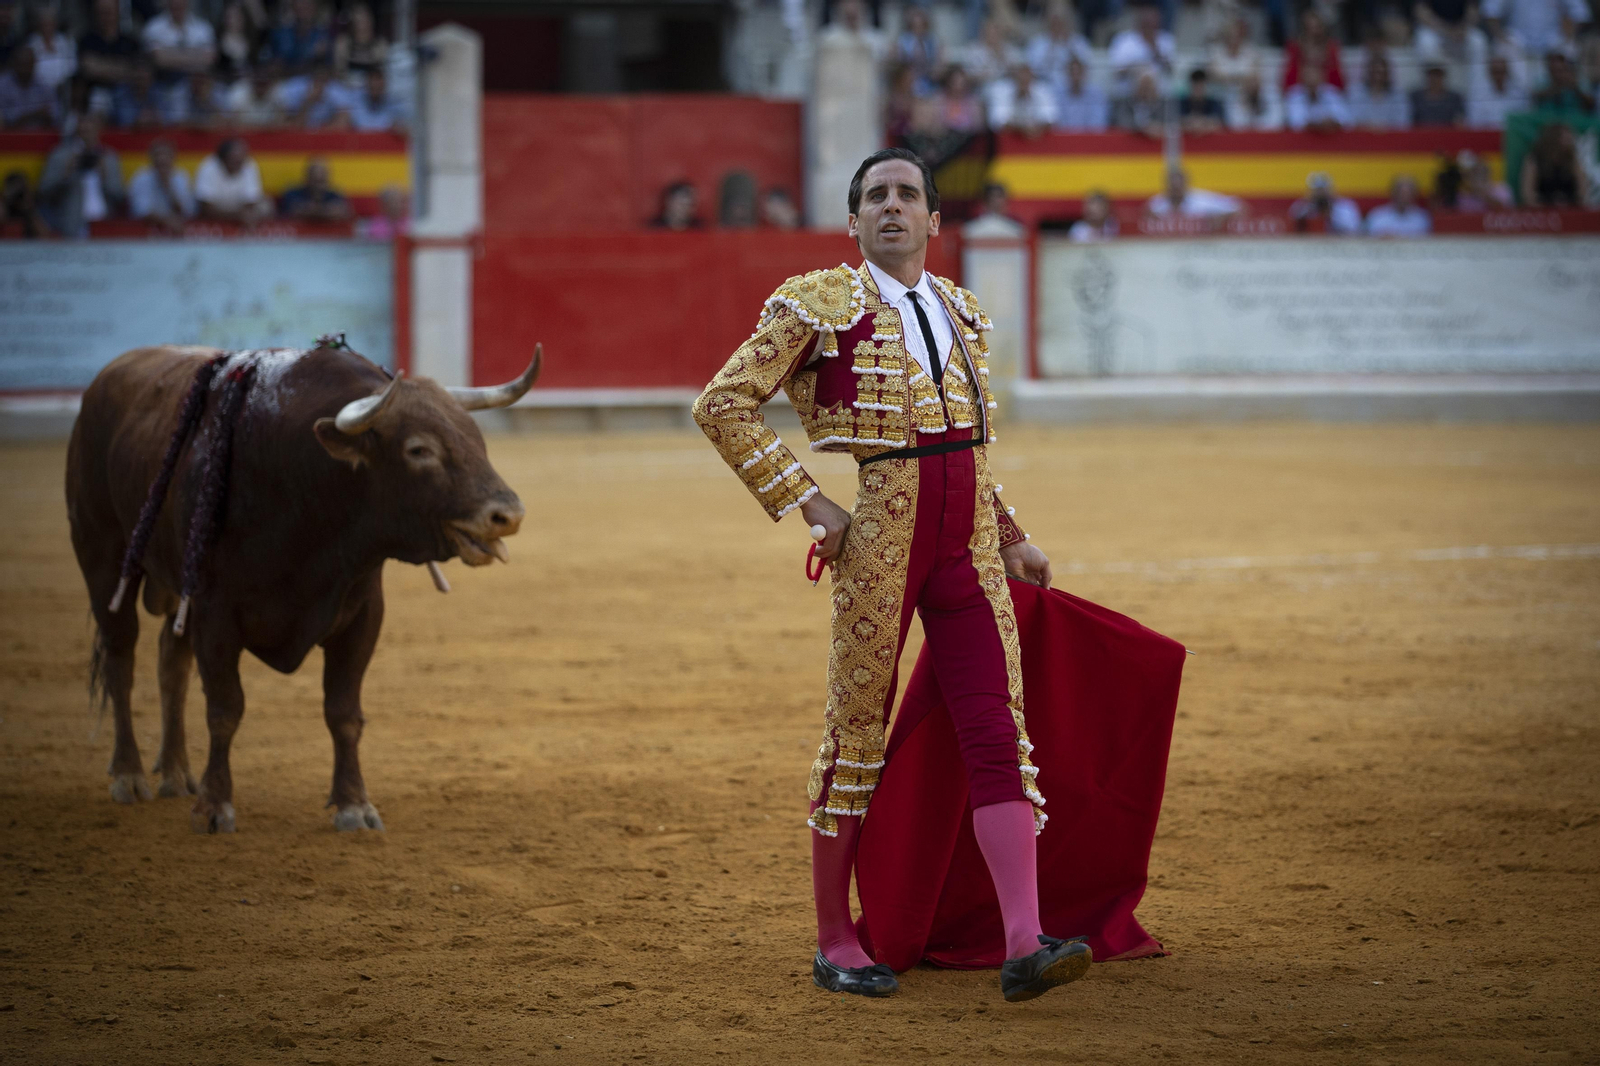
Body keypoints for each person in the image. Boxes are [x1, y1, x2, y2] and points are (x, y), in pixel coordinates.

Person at [693, 147, 1080, 1003]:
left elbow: (970, 442)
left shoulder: (962, 310)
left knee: (996, 727)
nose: (893, 206)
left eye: (909, 195)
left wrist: (1010, 532)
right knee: (856, 726)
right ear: (855, 220)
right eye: (877, 197)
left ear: (935, 221)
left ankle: (1025, 941)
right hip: (883, 533)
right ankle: (836, 936)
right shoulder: (818, 302)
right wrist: (808, 500)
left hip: (969, 544)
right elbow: (721, 401)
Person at [38, 111, 123, 236]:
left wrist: (104, 176)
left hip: (103, 226)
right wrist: (65, 175)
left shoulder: (109, 157)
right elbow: (43, 193)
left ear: (99, 130)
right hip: (71, 225)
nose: (87, 132)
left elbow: (119, 195)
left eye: (90, 128)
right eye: (83, 129)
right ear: (77, 130)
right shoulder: (60, 156)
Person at [141, 0, 216, 119]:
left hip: (197, 87)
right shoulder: (154, 27)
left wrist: (171, 55)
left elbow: (209, 59)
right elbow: (159, 59)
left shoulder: (203, 28)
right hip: (164, 85)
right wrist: (195, 55)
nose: (178, 3)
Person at [78, 0, 141, 116]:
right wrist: (121, 67)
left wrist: (101, 66)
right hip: (96, 93)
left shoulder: (130, 42)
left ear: (118, 12)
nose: (106, 16)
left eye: (109, 12)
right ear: (95, 14)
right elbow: (89, 69)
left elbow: (135, 71)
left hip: (125, 92)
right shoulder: (86, 41)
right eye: (102, 12)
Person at [195, 137, 272, 223]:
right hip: (218, 208)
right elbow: (205, 206)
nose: (239, 163)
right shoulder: (208, 167)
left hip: (240, 208)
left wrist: (246, 214)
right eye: (234, 160)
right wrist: (236, 216)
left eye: (241, 160)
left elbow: (251, 200)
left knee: (266, 205)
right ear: (223, 159)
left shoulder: (248, 163)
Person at [128, 137, 195, 231]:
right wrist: (167, 221)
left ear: (173, 157)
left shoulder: (181, 177)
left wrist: (168, 187)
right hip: (145, 230)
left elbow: (187, 211)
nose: (162, 158)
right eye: (158, 155)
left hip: (177, 229)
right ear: (151, 157)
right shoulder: (141, 178)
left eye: (166, 155)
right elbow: (142, 211)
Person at [1481, 0, 1589, 58]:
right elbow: (1491, 10)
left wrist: (1569, 35)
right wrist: (1500, 36)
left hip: (1553, 39)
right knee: (1501, 47)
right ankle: (1515, 96)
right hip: (1517, 40)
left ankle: (1566, 93)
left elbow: (1580, 13)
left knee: (1569, 49)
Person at [1107, 3, 1175, 93]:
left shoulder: (1166, 40)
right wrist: (1136, 69)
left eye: (1152, 24)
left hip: (1158, 94)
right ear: (1139, 22)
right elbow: (1116, 71)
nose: (1150, 27)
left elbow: (1170, 70)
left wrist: (1154, 48)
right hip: (1128, 93)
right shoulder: (1123, 40)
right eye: (1146, 24)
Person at [1519, 121, 1588, 205]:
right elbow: (1528, 193)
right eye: (1566, 138)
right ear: (1554, 138)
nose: (1570, 140)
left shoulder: (1572, 160)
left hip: (1569, 208)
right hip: (1543, 209)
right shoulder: (1534, 160)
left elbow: (1582, 190)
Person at [1025, 2, 1091, 89]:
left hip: (1071, 89)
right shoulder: (1037, 43)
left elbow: (1085, 67)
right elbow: (1034, 69)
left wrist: (1068, 45)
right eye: (1055, 22)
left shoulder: (1079, 42)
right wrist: (1052, 46)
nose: (1058, 26)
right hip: (1044, 87)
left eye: (1061, 22)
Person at [1146, 164, 1243, 219]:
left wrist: (1220, 217)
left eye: (1179, 187)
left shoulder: (1203, 200)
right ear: (1167, 186)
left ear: (1186, 184)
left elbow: (1239, 208)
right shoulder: (1156, 204)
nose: (1176, 190)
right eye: (1173, 187)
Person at [1281, 8, 1344, 91]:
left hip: (1327, 91)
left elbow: (1339, 83)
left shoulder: (1331, 48)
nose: (1313, 32)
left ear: (1323, 29)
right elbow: (1288, 82)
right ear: (1303, 30)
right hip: (1301, 91)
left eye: (1317, 27)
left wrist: (1321, 76)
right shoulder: (1294, 48)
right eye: (1309, 28)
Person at [985, 62, 1057, 133]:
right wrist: (1021, 129)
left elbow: (1051, 119)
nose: (1023, 80)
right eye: (1020, 77)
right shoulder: (1000, 89)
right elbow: (997, 122)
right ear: (1013, 77)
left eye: (1027, 77)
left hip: (1038, 137)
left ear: (1032, 77)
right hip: (1009, 138)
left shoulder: (1043, 90)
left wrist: (1034, 129)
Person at [1349, 51, 1410, 128]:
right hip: (1363, 137)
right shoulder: (1357, 94)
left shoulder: (1398, 96)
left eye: (1380, 73)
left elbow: (1403, 123)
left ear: (1387, 74)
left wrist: (1380, 128)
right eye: (1374, 72)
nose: (1377, 77)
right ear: (1368, 73)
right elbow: (1351, 121)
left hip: (1391, 138)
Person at [1285, 61, 1352, 131]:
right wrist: (1317, 124)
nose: (1312, 78)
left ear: (1322, 76)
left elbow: (1346, 121)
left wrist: (1332, 122)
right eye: (1308, 75)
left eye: (1315, 74)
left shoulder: (1332, 93)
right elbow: (1295, 123)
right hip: (1302, 140)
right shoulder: (1294, 95)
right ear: (1301, 77)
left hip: (1331, 138)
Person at [0, 44, 57, 127]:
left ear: (34, 64)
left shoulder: (44, 85)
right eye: (21, 65)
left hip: (40, 137)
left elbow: (55, 116)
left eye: (28, 65)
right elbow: (5, 120)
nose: (24, 70)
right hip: (10, 137)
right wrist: (35, 114)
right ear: (14, 64)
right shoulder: (2, 85)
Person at [278, 156, 350, 221]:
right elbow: (293, 209)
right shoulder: (293, 194)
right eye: (315, 180)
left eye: (321, 180)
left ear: (328, 178)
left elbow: (342, 210)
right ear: (307, 177)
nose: (318, 185)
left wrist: (312, 210)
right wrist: (323, 211)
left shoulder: (335, 195)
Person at [1467, 51, 1529, 125]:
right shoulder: (1477, 96)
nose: (1499, 76)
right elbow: (1475, 123)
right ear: (1489, 73)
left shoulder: (1520, 94)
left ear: (1507, 72)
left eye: (1502, 72)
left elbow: (1524, 120)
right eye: (1496, 72)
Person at [269, 0, 331, 73]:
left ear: (315, 7)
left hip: (313, 80)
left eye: (307, 5)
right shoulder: (281, 33)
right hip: (284, 80)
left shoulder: (323, 35)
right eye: (300, 5)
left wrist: (318, 59)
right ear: (293, 7)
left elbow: (327, 68)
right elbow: (274, 65)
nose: (304, 9)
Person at [892, 4, 940, 96]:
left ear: (925, 25)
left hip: (927, 80)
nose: (918, 29)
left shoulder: (932, 41)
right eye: (915, 26)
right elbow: (898, 62)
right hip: (907, 81)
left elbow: (937, 64)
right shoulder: (903, 40)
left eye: (921, 26)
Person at [1290, 171, 1362, 233]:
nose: (1320, 194)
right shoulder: (1302, 206)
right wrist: (1309, 210)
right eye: (1317, 190)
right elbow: (1292, 223)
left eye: (1323, 190)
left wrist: (1330, 213)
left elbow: (1353, 229)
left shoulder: (1345, 206)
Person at [959, 18, 1021, 88]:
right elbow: (967, 76)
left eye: (996, 32)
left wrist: (1001, 55)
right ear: (983, 33)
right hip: (981, 86)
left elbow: (1016, 73)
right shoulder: (973, 49)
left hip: (1005, 86)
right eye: (990, 32)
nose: (993, 35)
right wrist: (984, 74)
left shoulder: (1009, 50)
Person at [26, 2, 74, 91]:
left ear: (55, 24)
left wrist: (62, 82)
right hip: (37, 89)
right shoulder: (31, 43)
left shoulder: (65, 41)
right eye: (44, 24)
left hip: (63, 88)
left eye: (50, 23)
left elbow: (72, 65)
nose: (47, 27)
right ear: (39, 25)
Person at [334, 2, 387, 79]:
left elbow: (383, 73)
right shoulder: (343, 42)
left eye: (365, 19)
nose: (362, 23)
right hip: (347, 87)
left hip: (372, 88)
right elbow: (338, 71)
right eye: (358, 19)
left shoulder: (380, 44)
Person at [1365, 175, 1432, 236]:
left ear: (1414, 195)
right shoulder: (1377, 216)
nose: (1404, 198)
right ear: (1393, 193)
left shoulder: (1422, 218)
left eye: (1408, 194)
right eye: (1401, 193)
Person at [1055, 54, 1108, 131]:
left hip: (1090, 139)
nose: (1075, 77)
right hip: (1063, 139)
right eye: (1072, 73)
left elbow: (1098, 124)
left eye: (1078, 73)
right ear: (1066, 74)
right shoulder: (1058, 95)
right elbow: (1057, 123)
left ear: (1084, 74)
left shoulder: (1097, 94)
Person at [1112, 69, 1168, 136]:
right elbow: (1121, 121)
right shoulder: (1125, 103)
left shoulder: (1162, 104)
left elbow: (1169, 122)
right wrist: (1143, 128)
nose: (1146, 89)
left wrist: (1157, 126)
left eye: (1148, 85)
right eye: (1143, 85)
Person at [0, 168, 48, 237]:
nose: (18, 196)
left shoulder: (33, 208)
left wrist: (29, 210)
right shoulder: (4, 205)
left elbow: (45, 236)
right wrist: (4, 202)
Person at [937, 66, 984, 133]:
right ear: (948, 83)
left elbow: (978, 127)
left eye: (961, 82)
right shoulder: (939, 100)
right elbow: (936, 127)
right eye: (955, 82)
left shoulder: (973, 102)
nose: (958, 85)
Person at [1179, 67, 1226, 132]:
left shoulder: (1214, 103)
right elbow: (1178, 122)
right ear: (1191, 86)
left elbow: (1218, 123)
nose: (1198, 88)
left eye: (1201, 85)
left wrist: (1197, 123)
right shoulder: (1182, 103)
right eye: (1196, 85)